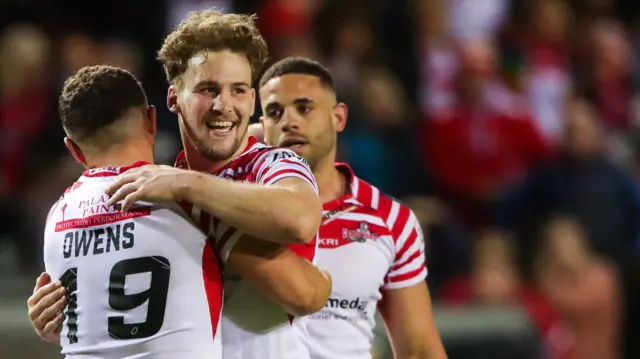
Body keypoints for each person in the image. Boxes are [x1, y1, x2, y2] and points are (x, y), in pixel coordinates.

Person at [28, 11, 331, 359]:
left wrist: (189, 188)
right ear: (172, 100)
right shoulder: (161, 190)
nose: (223, 105)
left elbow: (302, 224)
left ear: (252, 100)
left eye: (238, 90)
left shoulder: (271, 164)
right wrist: (69, 313)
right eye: (207, 89)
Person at [253, 57, 447, 359]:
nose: (289, 121)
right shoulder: (239, 207)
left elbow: (420, 350)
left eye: (304, 108)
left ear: (338, 117)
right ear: (262, 127)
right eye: (275, 112)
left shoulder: (391, 220)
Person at [31, 65, 224, 358]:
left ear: (74, 150)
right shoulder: (192, 197)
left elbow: (73, 324)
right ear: (152, 119)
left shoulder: (56, 217)